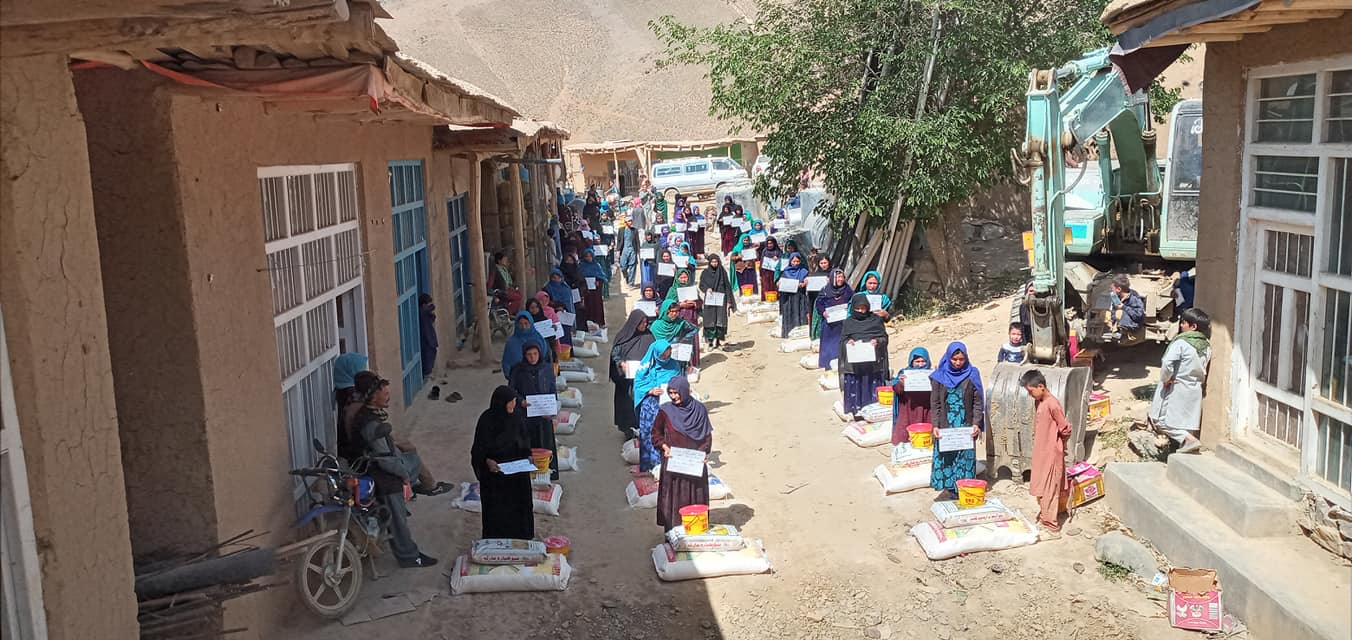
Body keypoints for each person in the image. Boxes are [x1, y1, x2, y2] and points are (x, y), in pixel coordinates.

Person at [347, 375, 438, 567]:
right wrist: (403, 474)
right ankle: (409, 556)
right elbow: (385, 460)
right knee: (398, 519)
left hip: (374, 468)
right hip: (378, 476)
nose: (389, 397)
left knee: (411, 459)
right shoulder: (370, 424)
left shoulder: (369, 415)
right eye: (385, 393)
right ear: (373, 396)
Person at [470, 386, 535, 540]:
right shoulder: (486, 420)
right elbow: (478, 450)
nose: (513, 404)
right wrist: (487, 461)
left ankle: (522, 537)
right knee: (497, 511)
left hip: (517, 473)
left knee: (520, 507)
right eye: (511, 402)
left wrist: (528, 455)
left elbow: (524, 440)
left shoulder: (517, 417)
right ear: (501, 403)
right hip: (495, 475)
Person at [652, 376, 713, 532]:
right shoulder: (665, 411)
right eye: (670, 393)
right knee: (674, 500)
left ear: (685, 391)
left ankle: (694, 533)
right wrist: (665, 447)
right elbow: (655, 434)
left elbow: (706, 437)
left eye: (676, 393)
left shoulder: (699, 410)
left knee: (694, 500)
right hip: (674, 465)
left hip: (694, 466)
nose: (674, 397)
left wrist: (703, 453)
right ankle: (672, 535)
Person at [1148, 307, 1211, 453]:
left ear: (1193, 327)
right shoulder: (1206, 345)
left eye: (1184, 323)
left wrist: (1166, 379)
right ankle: (1188, 446)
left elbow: (1167, 363)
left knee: (1161, 420)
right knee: (1187, 422)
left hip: (1177, 386)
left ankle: (1190, 441)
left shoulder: (1181, 343)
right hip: (1195, 388)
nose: (1181, 325)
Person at [929, 342, 984, 497]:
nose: (958, 363)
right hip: (946, 423)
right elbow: (935, 403)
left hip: (965, 423)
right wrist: (935, 425)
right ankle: (950, 488)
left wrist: (976, 423)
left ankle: (964, 487)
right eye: (954, 359)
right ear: (948, 357)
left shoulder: (972, 374)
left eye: (961, 359)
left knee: (965, 456)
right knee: (948, 455)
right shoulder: (939, 376)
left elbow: (978, 402)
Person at [1021, 369, 1071, 537]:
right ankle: (1047, 515)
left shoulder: (1052, 403)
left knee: (1049, 487)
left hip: (1050, 452)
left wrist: (1059, 445)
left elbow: (1065, 428)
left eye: (1031, 391)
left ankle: (1051, 524)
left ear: (1040, 386)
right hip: (1041, 451)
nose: (1030, 395)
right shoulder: (1040, 402)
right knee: (1042, 483)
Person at [508, 342, 560, 480]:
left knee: (545, 443)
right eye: (529, 354)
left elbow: (552, 388)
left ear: (540, 353)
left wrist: (552, 408)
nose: (532, 357)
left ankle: (547, 474)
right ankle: (529, 475)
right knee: (528, 444)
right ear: (524, 355)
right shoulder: (518, 370)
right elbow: (511, 390)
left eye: (535, 354)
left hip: (544, 415)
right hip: (526, 414)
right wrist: (521, 401)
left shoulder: (547, 368)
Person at [633, 340, 683, 473]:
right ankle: (651, 466)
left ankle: (665, 466)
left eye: (668, 354)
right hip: (651, 405)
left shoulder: (674, 365)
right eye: (663, 356)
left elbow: (680, 382)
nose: (666, 358)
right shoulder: (645, 367)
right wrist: (650, 390)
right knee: (651, 433)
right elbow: (638, 385)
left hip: (669, 404)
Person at [839, 293, 890, 418]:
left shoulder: (876, 320)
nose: (861, 311)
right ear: (853, 308)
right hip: (855, 365)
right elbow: (843, 341)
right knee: (856, 386)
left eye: (864, 308)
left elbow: (884, 338)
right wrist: (848, 342)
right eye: (858, 308)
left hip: (873, 364)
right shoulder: (848, 323)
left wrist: (877, 342)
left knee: (871, 385)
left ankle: (874, 413)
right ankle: (856, 412)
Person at [610, 310, 655, 437]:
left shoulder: (649, 336)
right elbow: (615, 354)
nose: (644, 325)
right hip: (627, 380)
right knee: (627, 404)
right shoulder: (623, 336)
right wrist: (621, 364)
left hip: (644, 378)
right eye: (642, 323)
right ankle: (628, 430)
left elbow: (655, 353)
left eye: (646, 322)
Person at [890, 348, 933, 446]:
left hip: (927, 410)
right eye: (917, 361)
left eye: (923, 361)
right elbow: (897, 390)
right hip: (908, 410)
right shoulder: (904, 373)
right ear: (911, 362)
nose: (920, 364)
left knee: (926, 439)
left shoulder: (932, 373)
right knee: (904, 438)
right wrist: (901, 383)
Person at [815, 268, 853, 370]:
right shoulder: (825, 291)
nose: (840, 279)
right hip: (829, 324)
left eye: (842, 277)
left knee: (842, 342)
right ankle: (828, 364)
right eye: (837, 277)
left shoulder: (848, 290)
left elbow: (852, 302)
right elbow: (818, 303)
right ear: (832, 278)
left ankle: (842, 364)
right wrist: (823, 312)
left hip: (843, 323)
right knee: (829, 344)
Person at [664, 269, 703, 368]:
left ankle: (692, 365)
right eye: (681, 277)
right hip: (678, 320)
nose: (683, 280)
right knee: (680, 342)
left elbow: (700, 302)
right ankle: (680, 366)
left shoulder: (692, 288)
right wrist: (680, 304)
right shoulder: (672, 290)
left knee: (691, 340)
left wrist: (695, 303)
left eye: (685, 277)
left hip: (691, 318)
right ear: (677, 278)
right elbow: (667, 304)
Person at [700, 254, 737, 349]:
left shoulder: (722, 272)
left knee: (720, 320)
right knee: (710, 319)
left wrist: (729, 301)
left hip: (721, 299)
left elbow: (727, 287)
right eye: (712, 262)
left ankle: (719, 341)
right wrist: (707, 289)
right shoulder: (705, 273)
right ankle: (710, 342)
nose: (714, 264)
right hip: (710, 300)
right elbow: (701, 285)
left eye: (716, 262)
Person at [502, 311, 549, 381]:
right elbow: (507, 362)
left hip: (539, 378)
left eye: (526, 324)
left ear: (531, 323)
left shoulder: (539, 339)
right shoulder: (511, 343)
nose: (523, 327)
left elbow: (545, 359)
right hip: (518, 380)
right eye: (520, 324)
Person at [777, 252, 810, 338]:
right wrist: (779, 283)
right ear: (790, 261)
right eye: (793, 261)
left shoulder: (804, 271)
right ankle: (788, 332)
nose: (795, 263)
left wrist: (804, 283)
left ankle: (800, 333)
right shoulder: (785, 271)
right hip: (788, 298)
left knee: (800, 313)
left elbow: (808, 281)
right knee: (790, 313)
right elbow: (781, 282)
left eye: (797, 261)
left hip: (800, 297)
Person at [1107, 273, 1145, 342]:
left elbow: (1139, 315)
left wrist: (1124, 307)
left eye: (1112, 288)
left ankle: (1125, 333)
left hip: (1133, 324)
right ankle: (1115, 330)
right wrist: (1111, 321)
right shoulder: (1117, 297)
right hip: (1120, 322)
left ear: (1119, 289)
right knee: (1106, 314)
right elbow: (1113, 310)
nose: (1111, 290)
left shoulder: (1134, 298)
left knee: (1120, 312)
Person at [578, 248, 610, 327]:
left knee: (596, 305)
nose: (588, 258)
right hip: (586, 291)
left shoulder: (596, 265)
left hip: (595, 291)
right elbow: (578, 277)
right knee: (587, 305)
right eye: (586, 256)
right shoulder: (581, 266)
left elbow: (602, 276)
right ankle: (588, 323)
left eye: (590, 256)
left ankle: (598, 322)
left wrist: (598, 282)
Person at [808, 255, 832, 341]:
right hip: (818, 303)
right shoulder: (814, 275)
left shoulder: (833, 274)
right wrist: (808, 284)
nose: (823, 265)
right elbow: (811, 292)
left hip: (831, 302)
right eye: (821, 263)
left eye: (825, 262)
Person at [418, 294, 438, 378]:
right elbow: (431, 307)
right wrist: (431, 306)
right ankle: (427, 373)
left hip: (430, 337)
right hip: (426, 339)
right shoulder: (422, 312)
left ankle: (428, 372)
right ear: (423, 305)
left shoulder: (426, 313)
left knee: (432, 353)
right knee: (427, 355)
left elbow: (432, 317)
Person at [759, 236, 783, 302]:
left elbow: (783, 261)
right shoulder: (765, 251)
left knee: (774, 285)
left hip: (775, 272)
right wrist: (760, 274)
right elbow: (761, 262)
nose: (770, 245)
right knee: (766, 285)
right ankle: (766, 298)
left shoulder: (778, 251)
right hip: (766, 273)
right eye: (768, 243)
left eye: (771, 243)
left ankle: (776, 297)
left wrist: (778, 259)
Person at [619, 220, 639, 286]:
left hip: (632, 249)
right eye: (629, 221)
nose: (630, 223)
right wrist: (618, 250)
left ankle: (631, 283)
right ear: (625, 222)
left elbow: (637, 241)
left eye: (631, 221)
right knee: (623, 266)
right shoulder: (621, 230)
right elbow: (619, 240)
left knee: (632, 266)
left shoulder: (635, 230)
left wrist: (638, 252)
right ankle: (626, 276)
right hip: (624, 249)